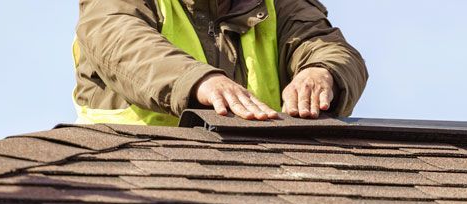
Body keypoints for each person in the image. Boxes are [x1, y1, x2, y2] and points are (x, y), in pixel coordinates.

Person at [74, 0, 368, 125]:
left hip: (256, 179)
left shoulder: (280, 4)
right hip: (133, 178)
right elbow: (118, 39)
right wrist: (197, 81)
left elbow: (322, 43)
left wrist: (322, 71)